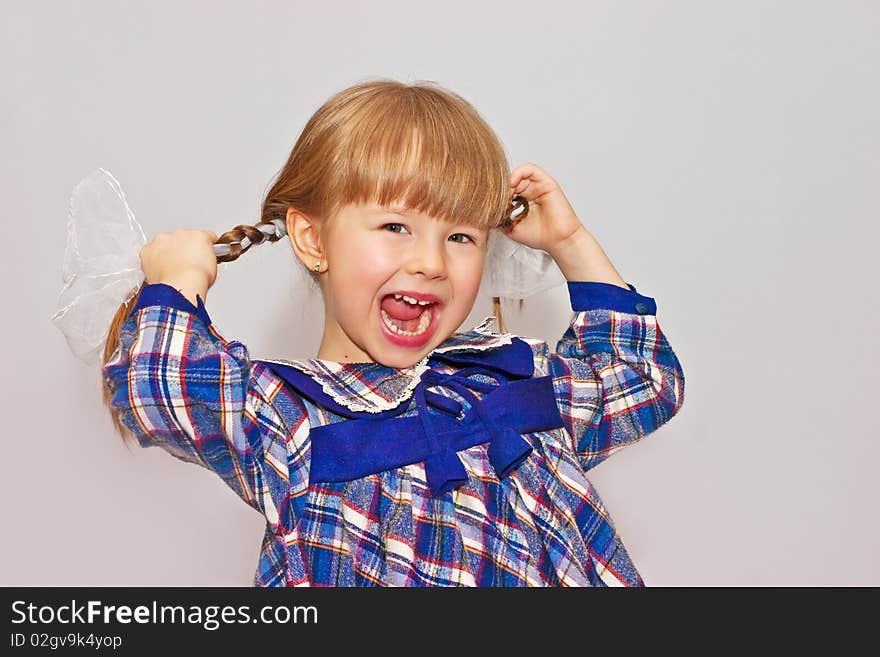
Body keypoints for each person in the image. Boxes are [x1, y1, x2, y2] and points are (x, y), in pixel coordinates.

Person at [101, 78, 686, 587]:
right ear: (312, 239)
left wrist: (570, 242)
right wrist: (178, 282)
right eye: (394, 226)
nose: (431, 262)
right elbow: (158, 388)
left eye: (461, 236)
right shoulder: (287, 418)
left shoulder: (509, 380)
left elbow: (641, 379)